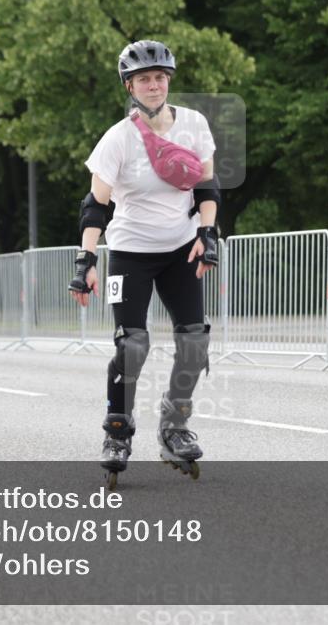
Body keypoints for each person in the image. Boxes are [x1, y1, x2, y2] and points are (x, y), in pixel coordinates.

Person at [68, 40, 220, 487]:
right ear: (130, 87)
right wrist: (86, 261)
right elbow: (95, 207)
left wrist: (206, 234)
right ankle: (117, 432)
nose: (153, 85)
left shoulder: (194, 124)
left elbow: (207, 187)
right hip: (131, 251)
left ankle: (174, 427)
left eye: (160, 78)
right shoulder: (118, 138)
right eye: (143, 79)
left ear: (168, 82)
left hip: (180, 250)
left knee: (195, 343)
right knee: (132, 345)